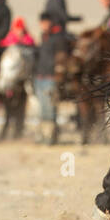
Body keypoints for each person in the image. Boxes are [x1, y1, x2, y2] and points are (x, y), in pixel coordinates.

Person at [33, 12, 72, 145]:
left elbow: (62, 59)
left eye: (46, 22)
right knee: (42, 108)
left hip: (51, 77)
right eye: (42, 23)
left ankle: (50, 137)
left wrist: (58, 76)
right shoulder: (43, 37)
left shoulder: (58, 39)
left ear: (50, 23)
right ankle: (44, 135)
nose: (44, 25)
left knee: (50, 107)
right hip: (40, 77)